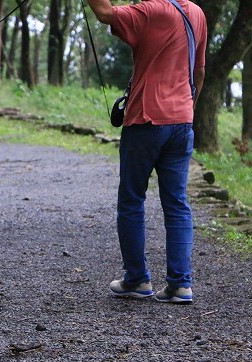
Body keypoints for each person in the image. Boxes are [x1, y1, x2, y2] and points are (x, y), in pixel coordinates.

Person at [86, 0, 207, 303]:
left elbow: (104, 12)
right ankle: (181, 285)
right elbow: (200, 71)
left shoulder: (150, 11)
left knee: (131, 199)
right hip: (182, 121)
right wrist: (186, 109)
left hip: (146, 120)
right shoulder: (196, 12)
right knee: (177, 203)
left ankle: (137, 279)